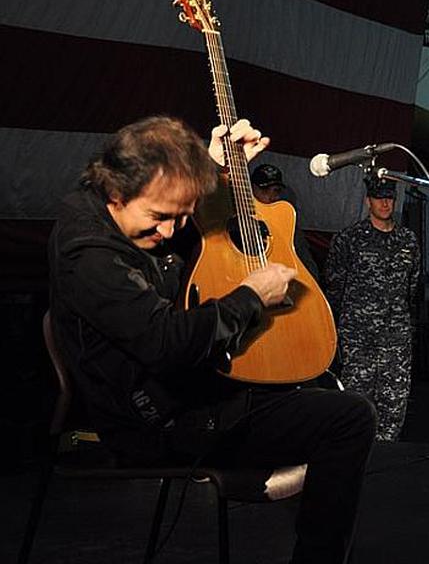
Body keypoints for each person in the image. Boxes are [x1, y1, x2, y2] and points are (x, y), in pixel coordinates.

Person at [47, 115, 376, 563]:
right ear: (116, 193)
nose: (167, 233)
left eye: (179, 218)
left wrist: (209, 161)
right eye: (159, 218)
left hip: (190, 392)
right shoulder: (87, 252)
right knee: (348, 418)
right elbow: (165, 342)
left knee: (321, 386)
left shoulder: (120, 200)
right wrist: (251, 297)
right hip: (157, 421)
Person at [323, 174, 420, 442]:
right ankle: (355, 458)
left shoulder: (408, 241)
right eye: (379, 198)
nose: (385, 203)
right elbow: (334, 287)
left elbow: (412, 287)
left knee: (394, 404)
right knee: (356, 402)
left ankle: (387, 461)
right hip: (358, 336)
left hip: (395, 337)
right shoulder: (349, 239)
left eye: (389, 197)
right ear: (368, 201)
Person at [250, 163, 320, 277]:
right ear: (252, 189)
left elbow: (307, 263)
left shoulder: (288, 222)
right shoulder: (239, 220)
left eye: (276, 191)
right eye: (264, 191)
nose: (271, 197)